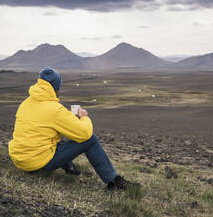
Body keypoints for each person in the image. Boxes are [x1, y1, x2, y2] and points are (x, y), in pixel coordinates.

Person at [8, 67, 136, 190]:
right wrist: (83, 117)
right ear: (56, 88)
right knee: (90, 139)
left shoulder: (26, 103)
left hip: (19, 160)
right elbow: (85, 133)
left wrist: (68, 118)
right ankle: (113, 181)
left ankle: (70, 168)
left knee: (55, 140)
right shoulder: (54, 109)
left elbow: (44, 126)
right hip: (36, 163)